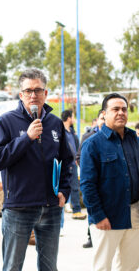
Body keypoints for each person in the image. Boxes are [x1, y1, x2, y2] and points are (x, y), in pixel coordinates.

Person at [0, 68, 72, 271]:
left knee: (49, 267)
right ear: (21, 95)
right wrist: (26, 138)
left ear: (46, 93)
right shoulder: (7, 121)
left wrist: (64, 191)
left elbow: (67, 160)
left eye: (38, 90)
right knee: (12, 266)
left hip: (51, 208)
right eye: (28, 91)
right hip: (19, 207)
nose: (33, 95)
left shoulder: (55, 123)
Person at [80, 93, 139, 270]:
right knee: (103, 267)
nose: (121, 112)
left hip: (135, 216)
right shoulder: (92, 145)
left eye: (124, 109)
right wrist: (98, 216)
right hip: (107, 218)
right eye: (115, 109)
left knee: (130, 266)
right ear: (104, 113)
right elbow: (87, 184)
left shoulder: (134, 140)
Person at [76, 109, 104, 249]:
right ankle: (91, 237)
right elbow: (78, 156)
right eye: (101, 119)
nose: (103, 121)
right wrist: (88, 169)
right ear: (97, 120)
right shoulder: (87, 137)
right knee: (92, 208)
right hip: (93, 179)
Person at [61, 110, 86, 220]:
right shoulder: (61, 131)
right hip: (65, 164)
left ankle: (76, 211)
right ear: (68, 118)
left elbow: (76, 146)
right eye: (73, 117)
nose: (74, 119)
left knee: (75, 187)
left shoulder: (71, 131)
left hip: (73, 164)